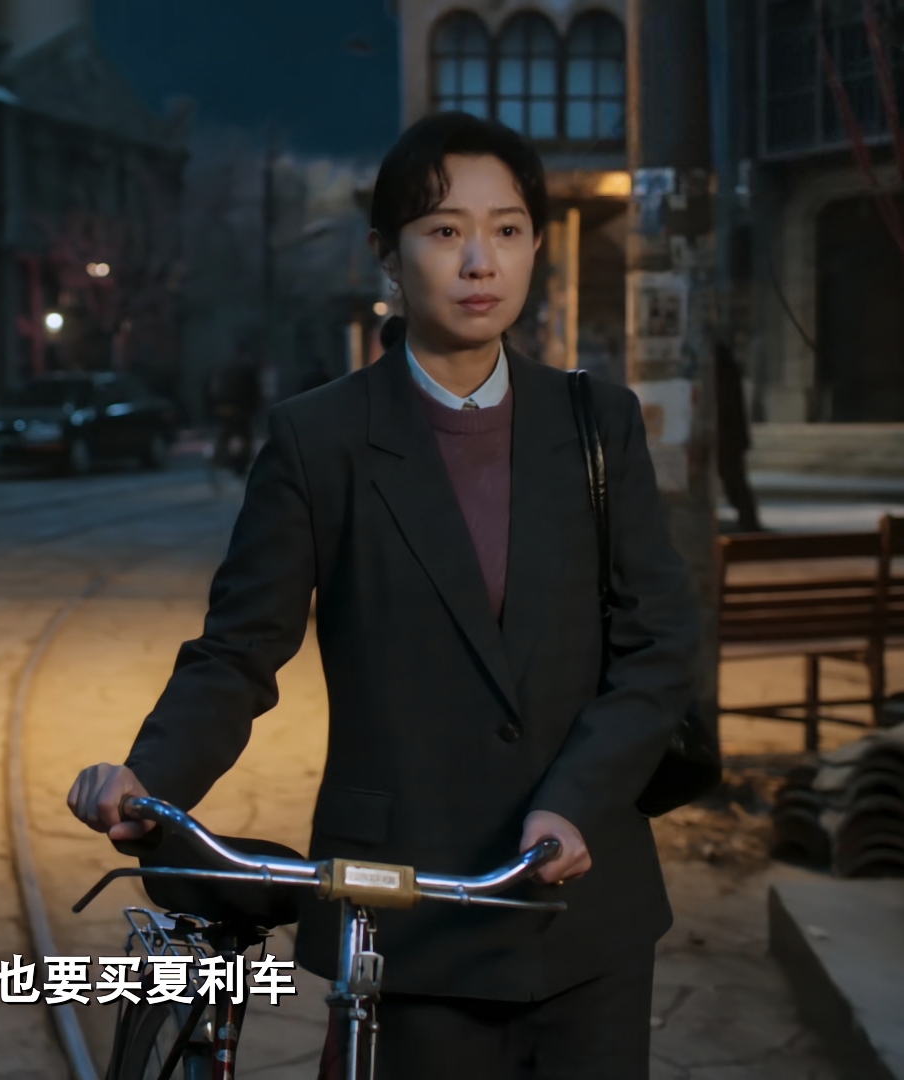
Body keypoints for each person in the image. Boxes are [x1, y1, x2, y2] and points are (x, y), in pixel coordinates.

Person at [67, 112, 697, 1079]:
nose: (480, 261)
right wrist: (150, 777)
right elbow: (241, 648)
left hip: (584, 906)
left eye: (507, 229)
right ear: (388, 256)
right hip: (407, 906)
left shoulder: (596, 424)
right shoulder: (320, 439)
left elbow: (658, 643)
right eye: (445, 230)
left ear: (534, 245)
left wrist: (577, 801)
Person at [716, 340, 762, 532]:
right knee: (735, 481)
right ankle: (748, 520)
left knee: (734, 481)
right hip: (729, 439)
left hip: (727, 439)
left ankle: (749, 521)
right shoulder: (728, 373)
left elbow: (727, 409)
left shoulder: (723, 376)